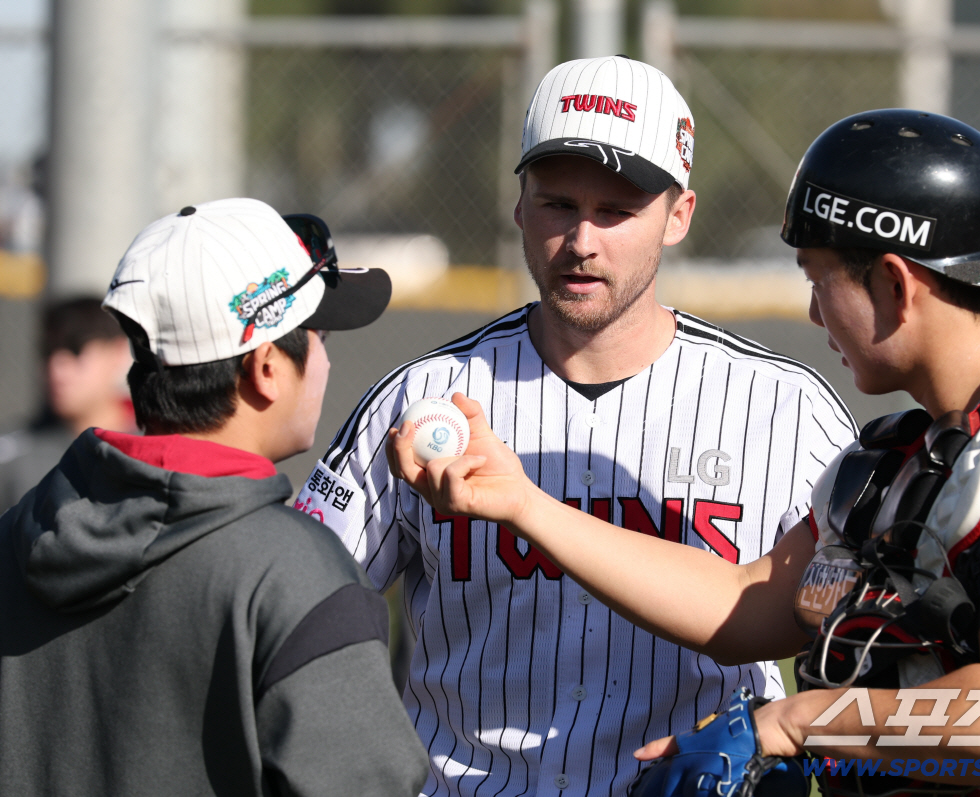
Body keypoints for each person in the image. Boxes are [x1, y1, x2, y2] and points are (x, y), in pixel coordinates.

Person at [389, 110, 980, 797]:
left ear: (895, 287)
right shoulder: (906, 455)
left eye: (818, 278)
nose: (810, 309)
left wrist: (798, 720)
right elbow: (744, 603)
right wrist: (522, 503)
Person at [297, 55, 856, 797]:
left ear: (679, 214)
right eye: (558, 203)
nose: (582, 240)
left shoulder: (786, 409)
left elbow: (860, 641)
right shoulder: (424, 397)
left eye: (617, 212)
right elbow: (293, 617)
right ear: (520, 204)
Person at [0, 198, 428, 796]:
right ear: (267, 368)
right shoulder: (295, 571)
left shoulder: (21, 528)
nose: (326, 359)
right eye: (320, 334)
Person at [0, 296, 137, 512]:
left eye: (76, 350)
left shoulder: (156, 443)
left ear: (118, 352)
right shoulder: (11, 454)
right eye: (48, 352)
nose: (57, 369)